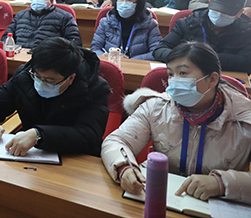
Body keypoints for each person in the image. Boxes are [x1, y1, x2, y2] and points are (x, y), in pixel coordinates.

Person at [102, 42, 251, 204]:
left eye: (183, 73)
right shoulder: (156, 107)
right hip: (164, 198)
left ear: (212, 79)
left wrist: (222, 183)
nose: (174, 81)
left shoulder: (244, 118)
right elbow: (116, 141)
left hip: (220, 205)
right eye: (171, 74)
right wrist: (124, 168)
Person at [0, 37, 110, 156]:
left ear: (70, 78)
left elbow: (89, 135)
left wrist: (40, 135)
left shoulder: (96, 89)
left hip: (73, 158)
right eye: (38, 76)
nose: (41, 83)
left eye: (50, 80)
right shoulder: (25, 75)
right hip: (29, 153)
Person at [153, 0, 251, 73]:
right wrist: (187, 57)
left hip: (226, 78)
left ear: (240, 13)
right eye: (216, 10)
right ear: (209, 3)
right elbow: (159, 49)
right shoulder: (189, 23)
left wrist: (204, 58)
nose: (219, 15)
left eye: (226, 13)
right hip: (187, 74)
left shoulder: (247, 30)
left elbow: (247, 62)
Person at [90, 0, 162, 60]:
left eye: (129, 0)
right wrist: (103, 56)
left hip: (136, 65)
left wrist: (131, 61)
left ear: (139, 4)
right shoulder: (105, 22)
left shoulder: (150, 24)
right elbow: (95, 48)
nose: (123, 3)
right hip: (111, 63)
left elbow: (155, 52)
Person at [3, 0, 82, 48]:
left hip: (48, 57)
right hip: (19, 55)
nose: (36, 0)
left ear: (51, 1)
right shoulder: (20, 15)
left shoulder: (64, 17)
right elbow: (6, 37)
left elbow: (75, 42)